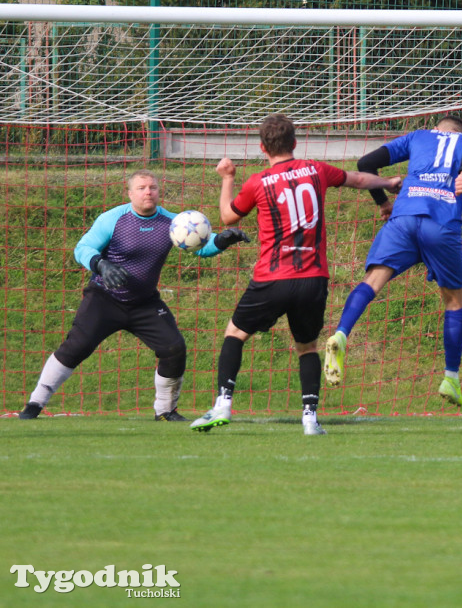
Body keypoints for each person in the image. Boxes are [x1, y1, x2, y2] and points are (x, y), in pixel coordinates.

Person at [189, 114, 401, 435]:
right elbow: (358, 180)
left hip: (272, 277)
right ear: (295, 143)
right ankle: (310, 419)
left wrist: (227, 177)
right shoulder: (316, 170)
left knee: (235, 333)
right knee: (307, 346)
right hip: (313, 278)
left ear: (262, 147)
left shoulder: (258, 182)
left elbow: (227, 217)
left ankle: (222, 405)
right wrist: (388, 183)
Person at [18, 170, 249, 421]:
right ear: (130, 193)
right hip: (104, 298)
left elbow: (200, 246)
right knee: (76, 347)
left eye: (152, 187)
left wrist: (223, 241)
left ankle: (165, 411)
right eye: (141, 188)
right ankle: (34, 404)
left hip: (144, 303)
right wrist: (101, 265)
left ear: (159, 191)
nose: (148, 192)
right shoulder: (113, 219)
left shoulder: (172, 223)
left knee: (174, 348)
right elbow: (83, 248)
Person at [322, 115, 462, 409]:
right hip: (441, 223)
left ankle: (341, 333)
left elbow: (365, 164)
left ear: (437, 129)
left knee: (371, 281)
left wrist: (383, 202)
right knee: (453, 301)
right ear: (461, 133)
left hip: (403, 219)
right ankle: (451, 377)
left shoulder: (418, 136)